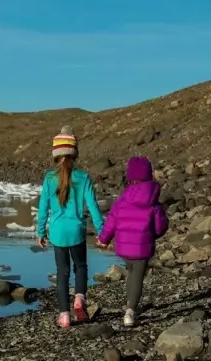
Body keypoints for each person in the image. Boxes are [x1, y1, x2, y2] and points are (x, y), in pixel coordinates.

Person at [37, 126, 104, 328]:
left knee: (62, 272)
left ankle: (64, 315)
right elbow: (93, 207)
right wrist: (102, 232)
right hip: (76, 231)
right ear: (74, 154)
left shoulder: (49, 178)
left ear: (56, 155)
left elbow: (43, 208)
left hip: (57, 232)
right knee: (81, 266)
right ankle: (79, 299)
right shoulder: (83, 178)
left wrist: (40, 231)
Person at [96, 156, 169, 327]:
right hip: (142, 246)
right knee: (137, 275)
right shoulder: (153, 201)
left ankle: (130, 304)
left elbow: (111, 222)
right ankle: (130, 311)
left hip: (123, 246)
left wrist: (103, 239)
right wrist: (152, 234)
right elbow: (160, 228)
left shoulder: (122, 199)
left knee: (131, 272)